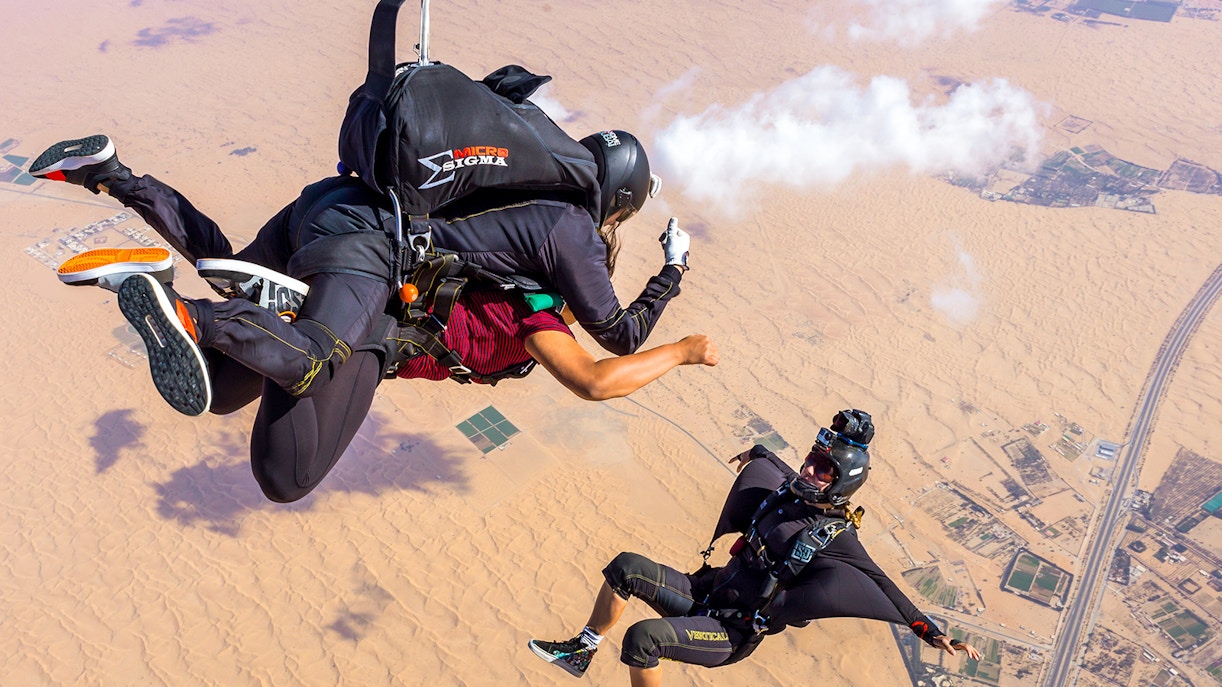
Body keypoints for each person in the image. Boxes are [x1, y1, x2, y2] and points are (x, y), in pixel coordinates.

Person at [32, 134, 717, 503]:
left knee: (220, 384)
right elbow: (599, 378)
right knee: (286, 472)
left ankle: (116, 177)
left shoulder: (494, 211)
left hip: (331, 210)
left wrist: (670, 276)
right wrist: (683, 347)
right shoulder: (537, 300)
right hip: (369, 313)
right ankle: (182, 307)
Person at [528, 409, 982, 685]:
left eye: (823, 469)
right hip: (701, 592)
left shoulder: (836, 536)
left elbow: (881, 582)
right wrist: (759, 452)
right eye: (811, 459)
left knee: (643, 639)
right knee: (625, 568)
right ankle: (580, 651)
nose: (809, 470)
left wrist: (929, 630)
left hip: (730, 630)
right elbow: (782, 465)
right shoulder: (789, 489)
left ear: (841, 483)